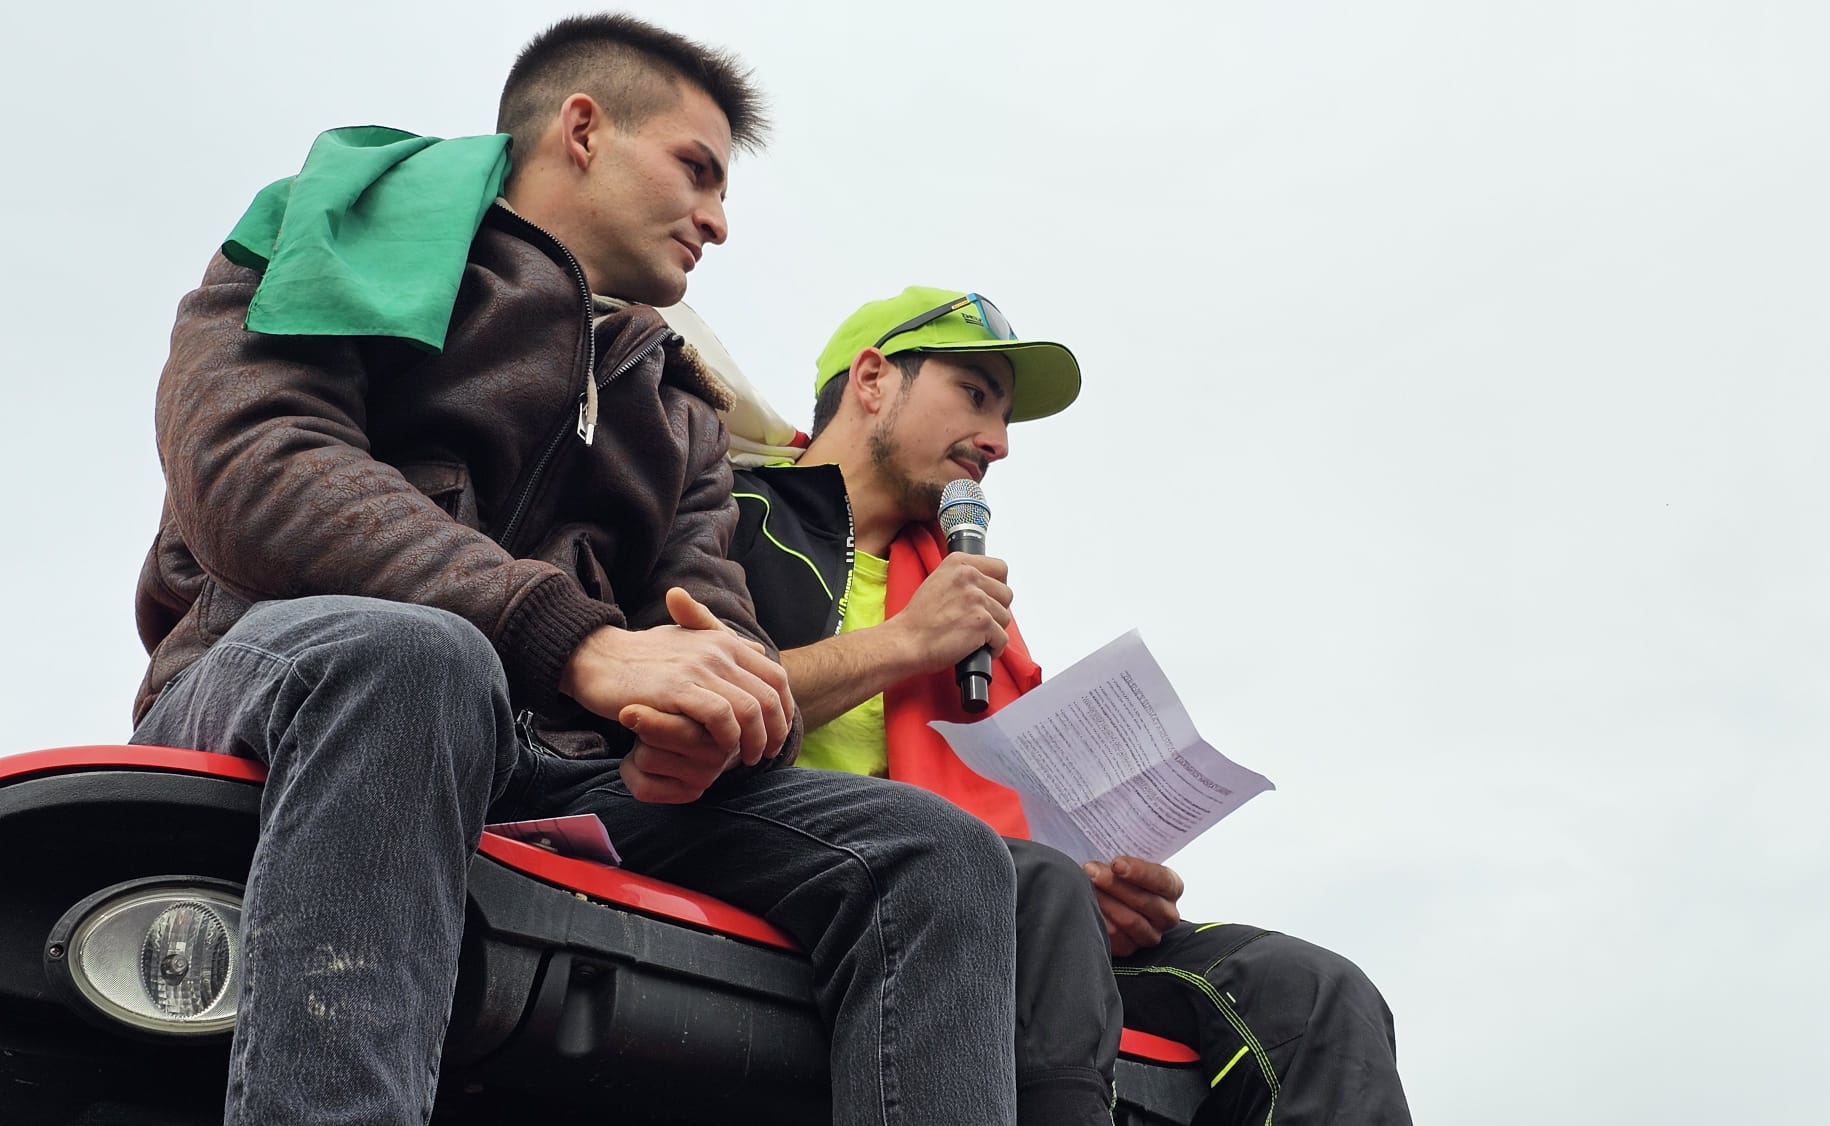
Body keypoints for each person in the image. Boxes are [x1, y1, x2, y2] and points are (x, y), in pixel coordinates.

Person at [131, 18, 1114, 1125]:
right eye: (696, 171)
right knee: (420, 653)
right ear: (583, 130)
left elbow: (717, 629)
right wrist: (579, 642)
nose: (719, 221)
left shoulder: (680, 408)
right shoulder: (339, 230)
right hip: (288, 690)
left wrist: (709, 726)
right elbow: (255, 467)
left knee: (936, 853)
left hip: (555, 770)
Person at [728, 286, 1417, 1126]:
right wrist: (910, 642)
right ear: (872, 379)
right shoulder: (737, 518)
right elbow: (682, 695)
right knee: (1034, 887)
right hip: (825, 875)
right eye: (975, 396)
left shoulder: (971, 605)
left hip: (1029, 910)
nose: (999, 443)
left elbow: (1030, 824)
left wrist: (1113, 884)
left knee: (1317, 994)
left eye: (1006, 417)